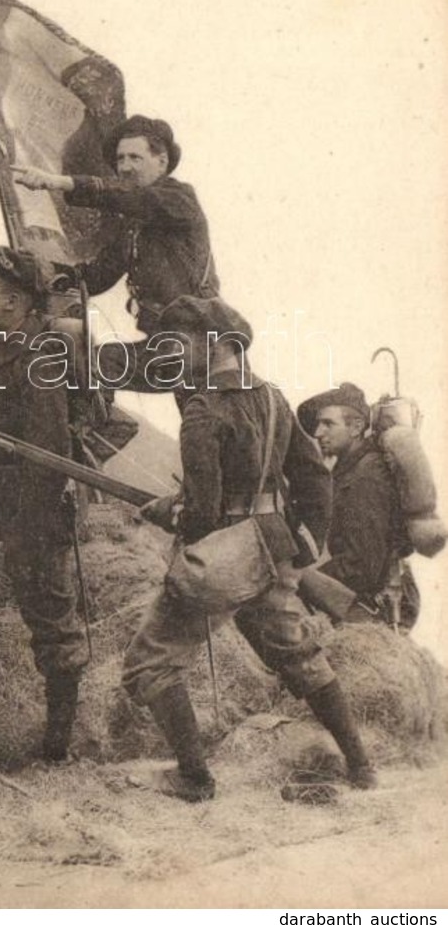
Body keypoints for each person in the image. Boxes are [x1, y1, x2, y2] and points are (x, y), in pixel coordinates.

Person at [123, 296, 377, 801]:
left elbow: (201, 513)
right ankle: (363, 767)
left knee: (148, 662)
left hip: (224, 557)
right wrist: (300, 544)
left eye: (179, 345)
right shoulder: (271, 398)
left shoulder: (202, 408)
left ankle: (194, 778)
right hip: (270, 549)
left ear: (214, 345)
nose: (172, 356)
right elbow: (312, 477)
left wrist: (167, 511)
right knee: (299, 656)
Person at [0, 245, 88, 761]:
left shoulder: (41, 352)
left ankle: (58, 745)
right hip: (3, 498)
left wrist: (30, 522)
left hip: (36, 507)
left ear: (12, 302)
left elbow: (49, 451)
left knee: (51, 620)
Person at [15, 115, 219, 390]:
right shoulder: (132, 227)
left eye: (135, 158)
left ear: (162, 162)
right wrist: (36, 269)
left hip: (202, 343)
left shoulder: (180, 199)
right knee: (88, 364)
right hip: (168, 344)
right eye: (120, 159)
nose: (125, 166)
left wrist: (60, 182)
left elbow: (137, 199)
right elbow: (97, 276)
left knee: (213, 421)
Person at [297, 383, 419, 631]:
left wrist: (303, 580)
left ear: (356, 427)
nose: (318, 432)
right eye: (317, 425)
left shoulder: (366, 476)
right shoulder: (349, 470)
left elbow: (361, 567)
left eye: (328, 424)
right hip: (371, 598)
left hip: (377, 607)